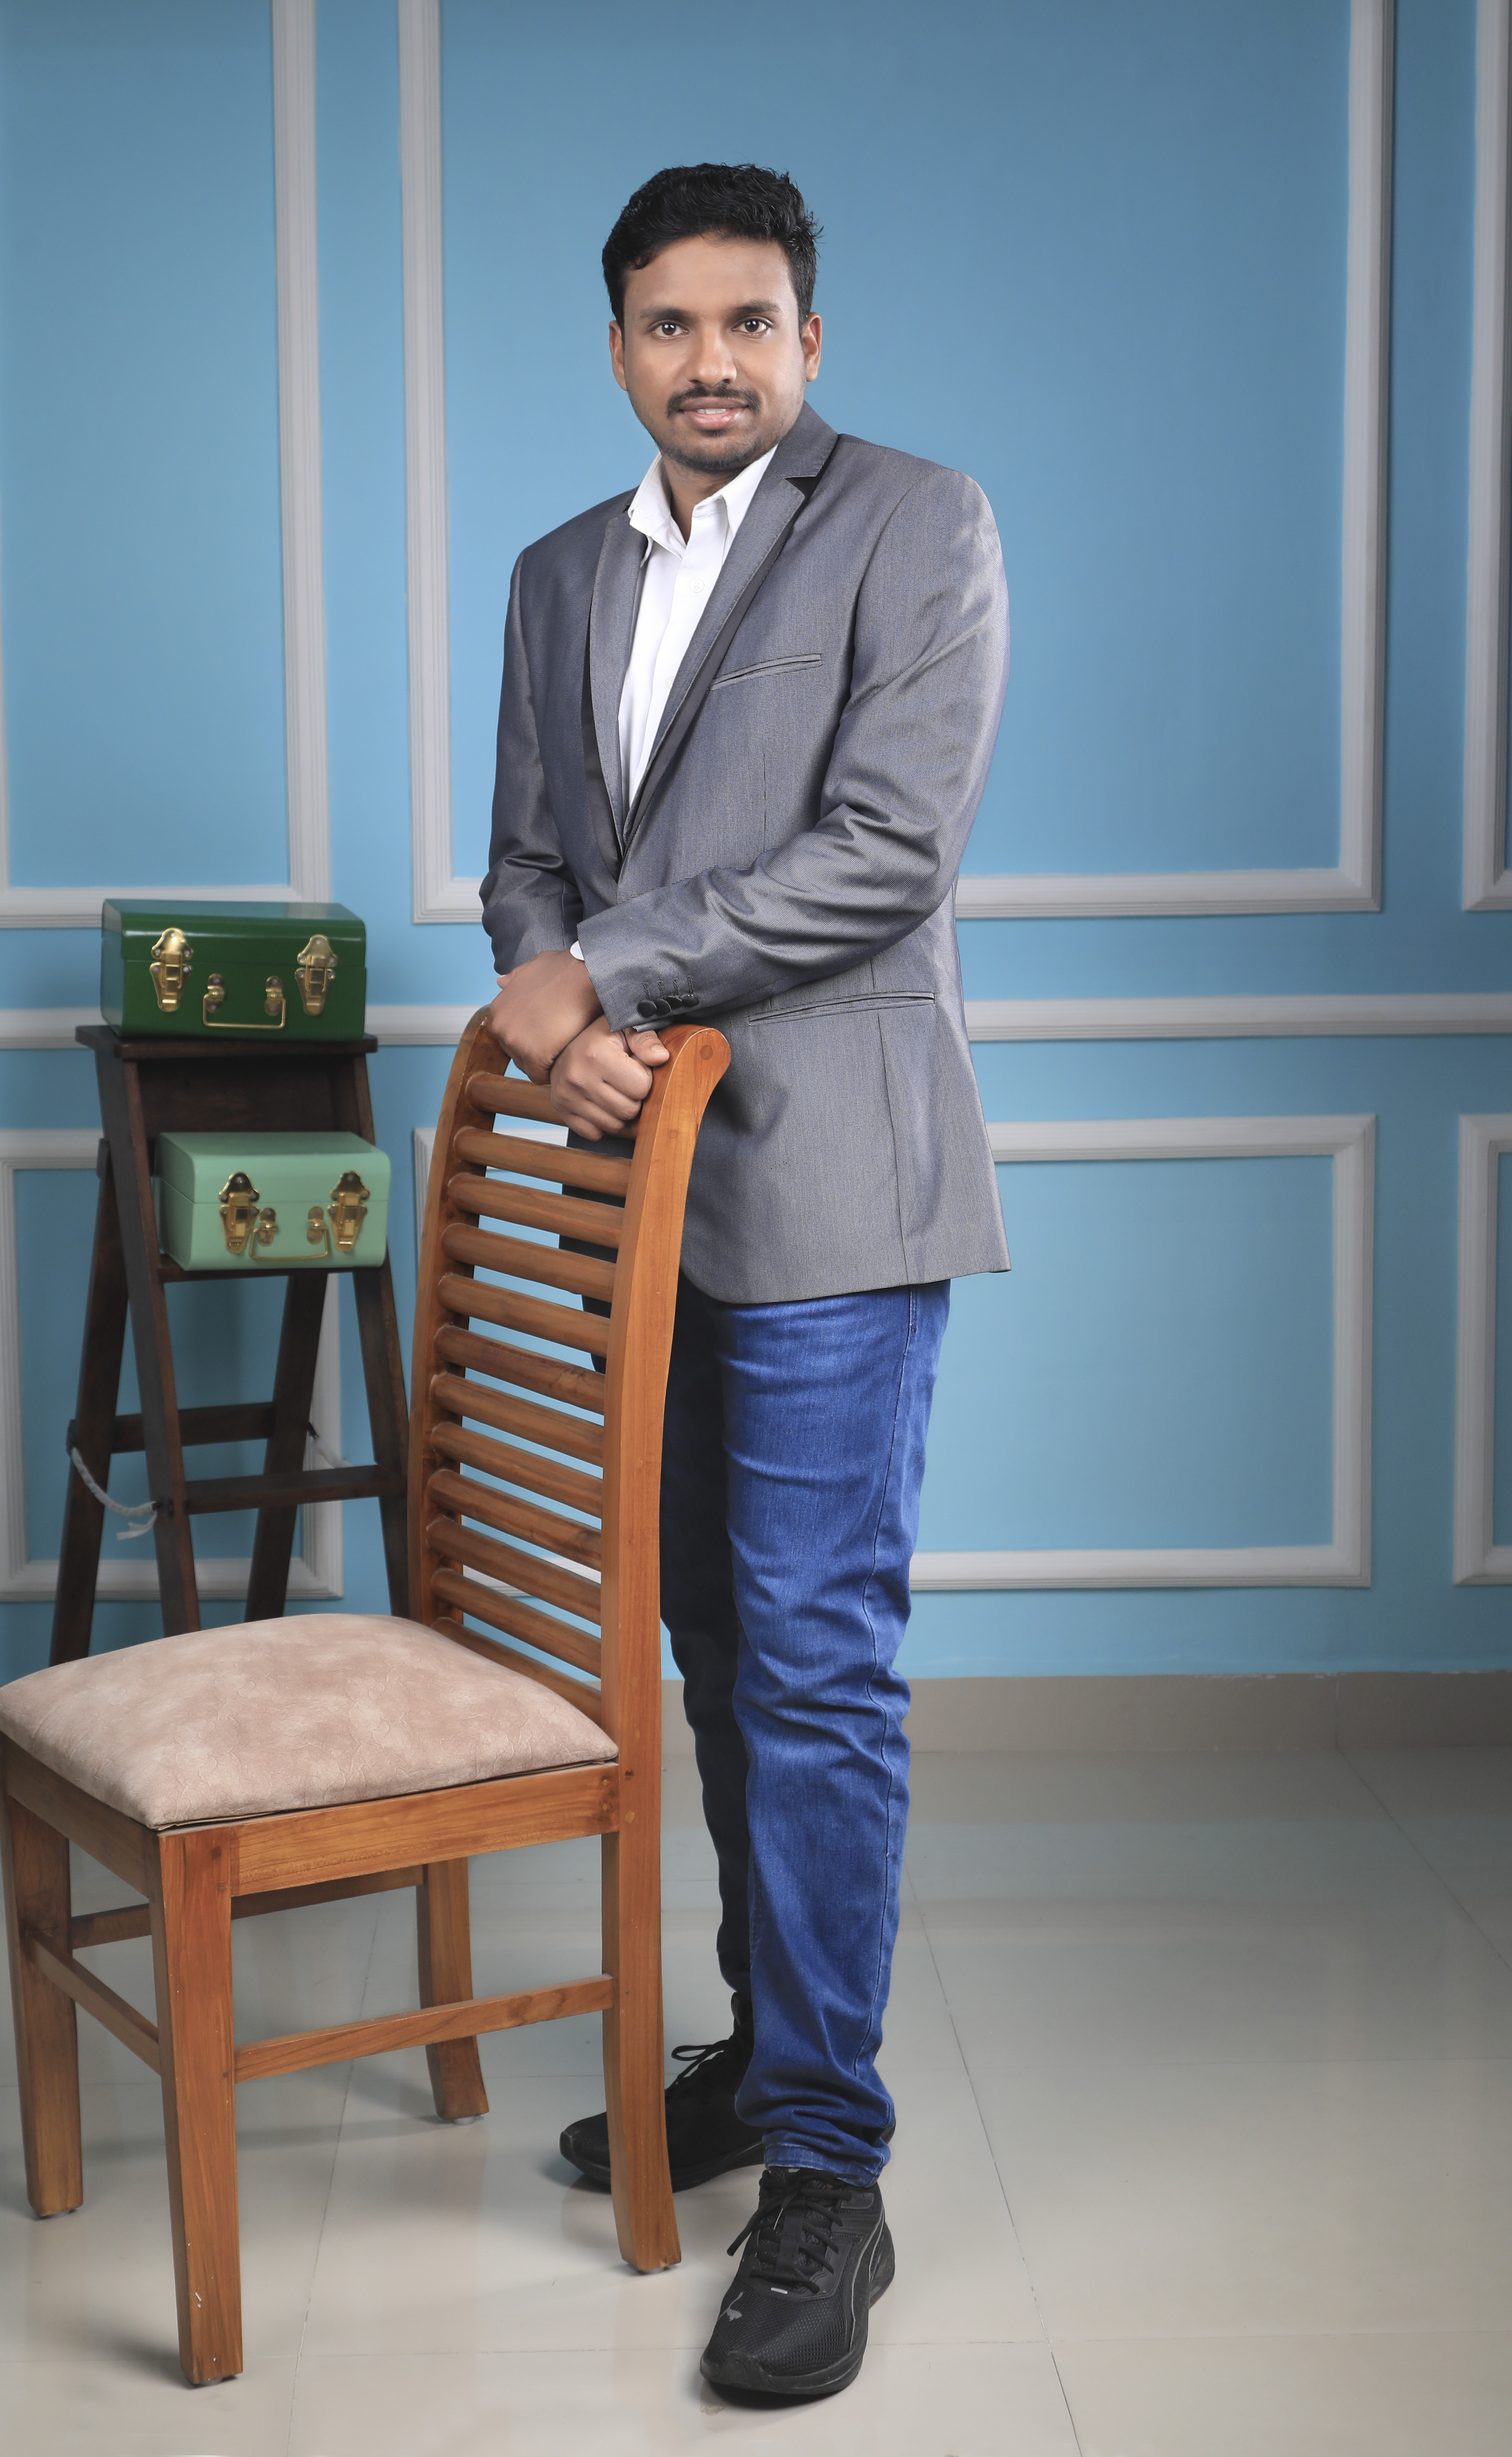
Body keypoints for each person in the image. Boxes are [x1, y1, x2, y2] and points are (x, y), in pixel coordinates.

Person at [481, 161, 1009, 2402]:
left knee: (812, 1662)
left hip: (833, 1191)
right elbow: (527, 858)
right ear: (619, 343)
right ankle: (763, 2049)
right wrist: (554, 1003)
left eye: (752, 321)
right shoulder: (555, 575)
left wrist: (606, 975)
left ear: (812, 339)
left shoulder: (916, 522)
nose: (713, 361)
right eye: (671, 324)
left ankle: (829, 2172)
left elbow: (888, 853)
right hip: (640, 1193)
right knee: (709, 1636)